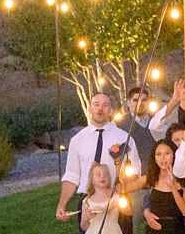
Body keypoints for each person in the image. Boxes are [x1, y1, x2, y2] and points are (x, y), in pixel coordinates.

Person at [56, 90, 133, 220]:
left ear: (111, 111)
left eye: (105, 105)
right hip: (88, 202)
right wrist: (61, 204)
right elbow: (72, 175)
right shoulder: (77, 140)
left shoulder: (124, 138)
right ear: (90, 109)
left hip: (116, 199)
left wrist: (122, 191)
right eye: (96, 104)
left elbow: (135, 171)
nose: (100, 109)